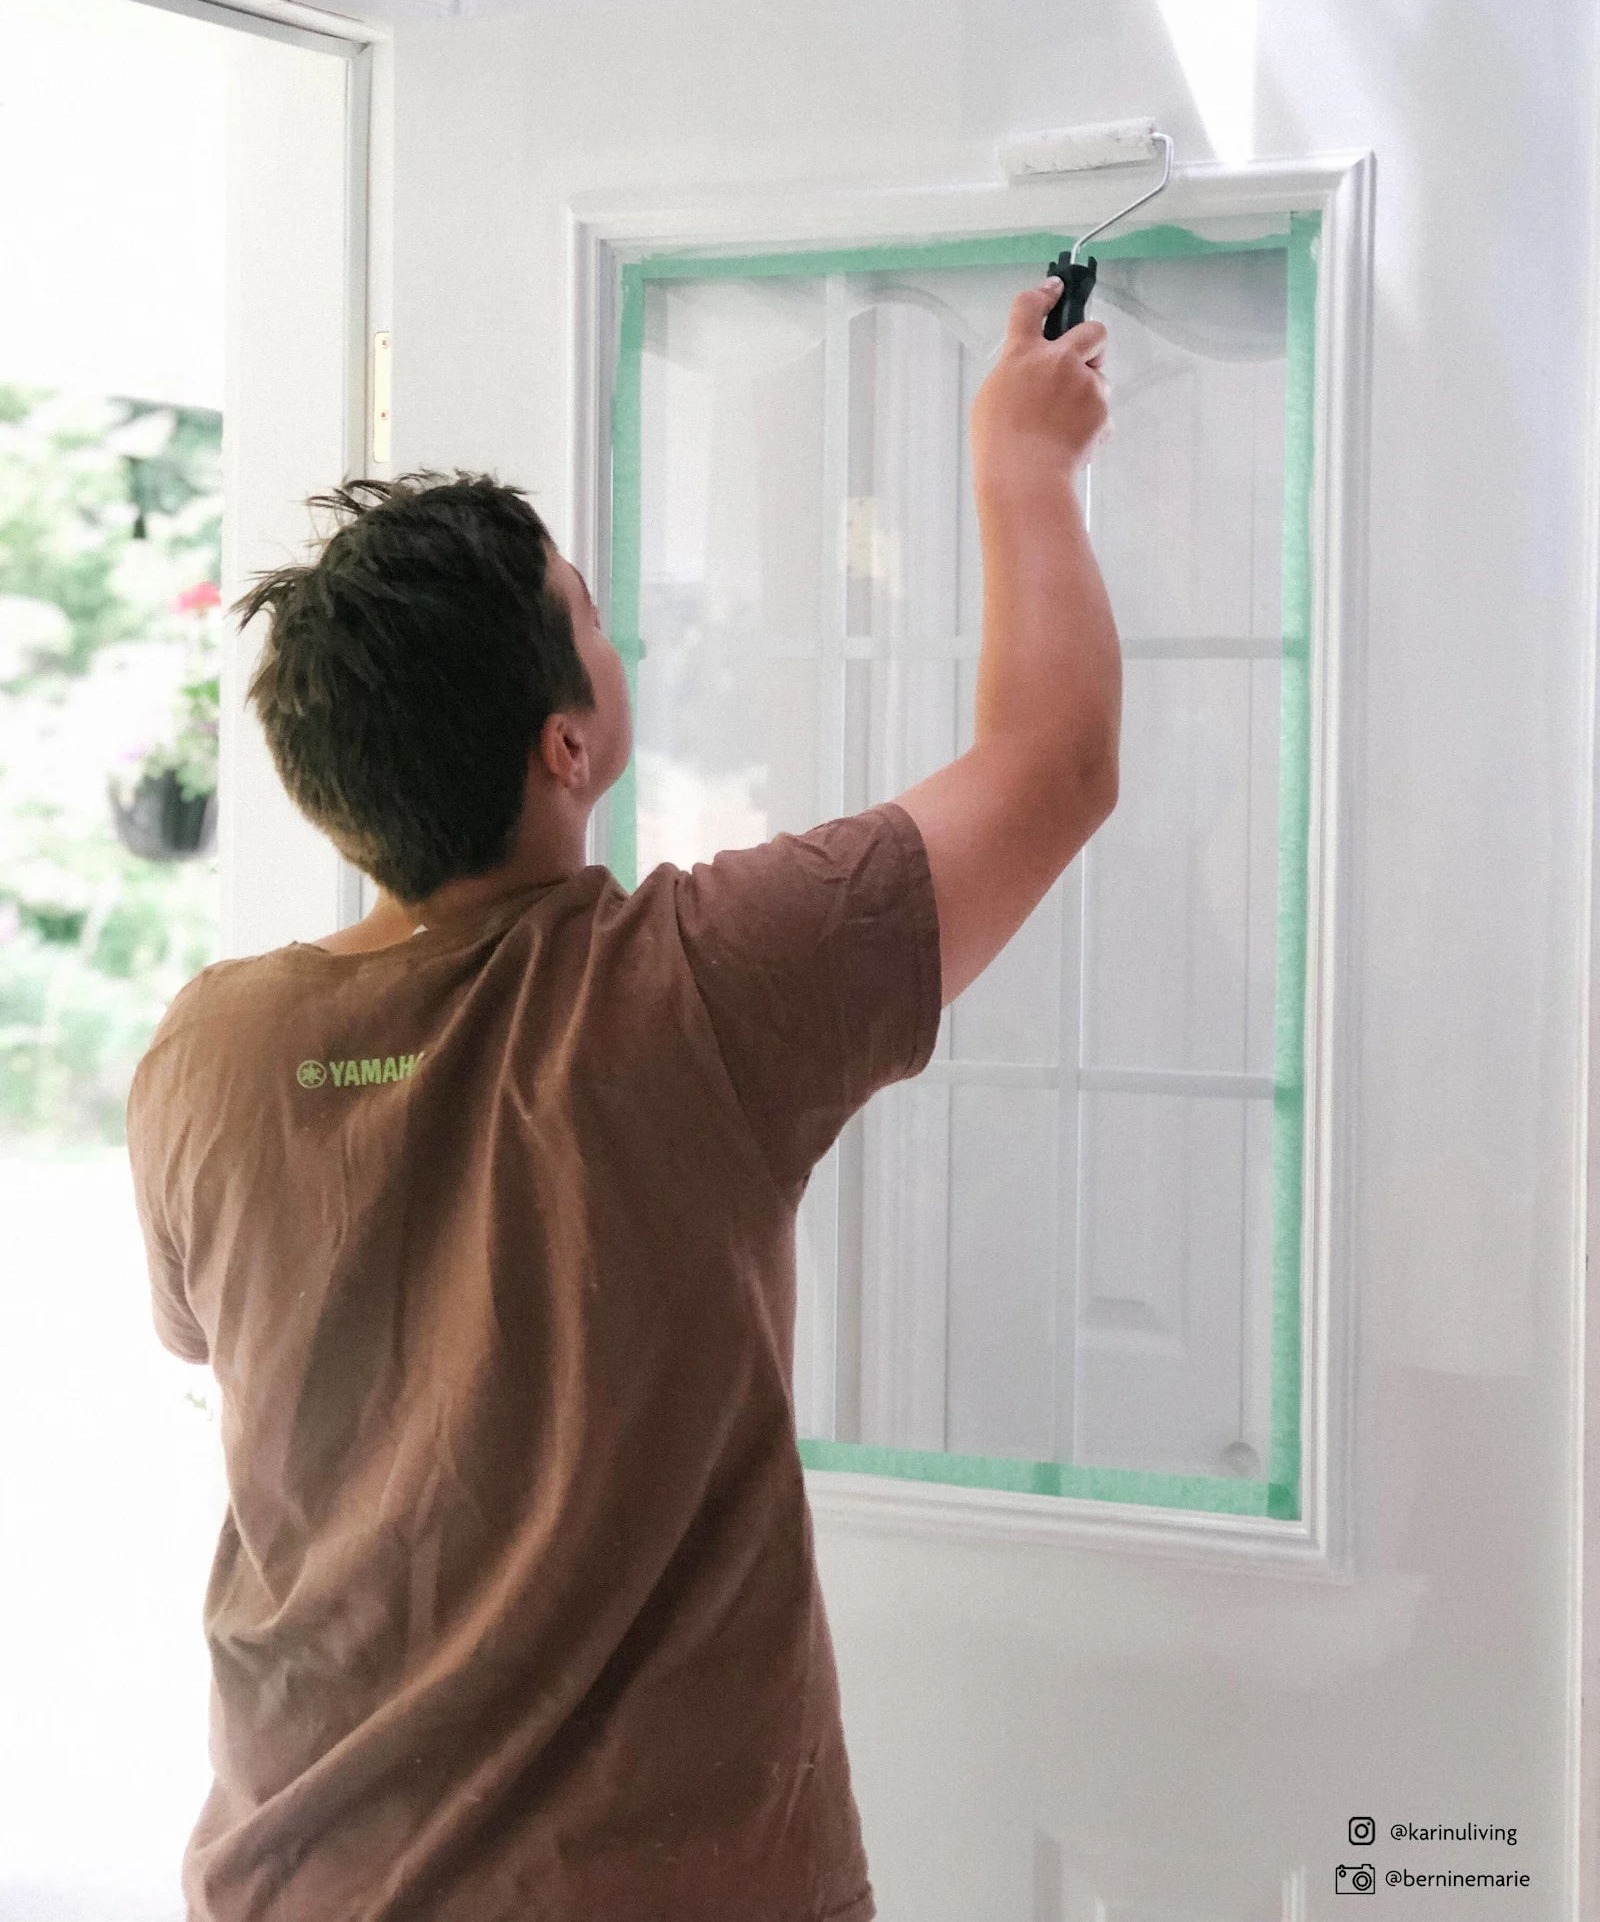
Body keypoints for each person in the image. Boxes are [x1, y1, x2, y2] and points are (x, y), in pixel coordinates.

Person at [126, 282, 1119, 1922]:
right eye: (590, 613)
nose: (617, 631)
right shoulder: (697, 990)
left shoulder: (209, 1057)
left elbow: (214, 1346)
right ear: (567, 744)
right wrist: (1024, 462)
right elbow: (1055, 764)